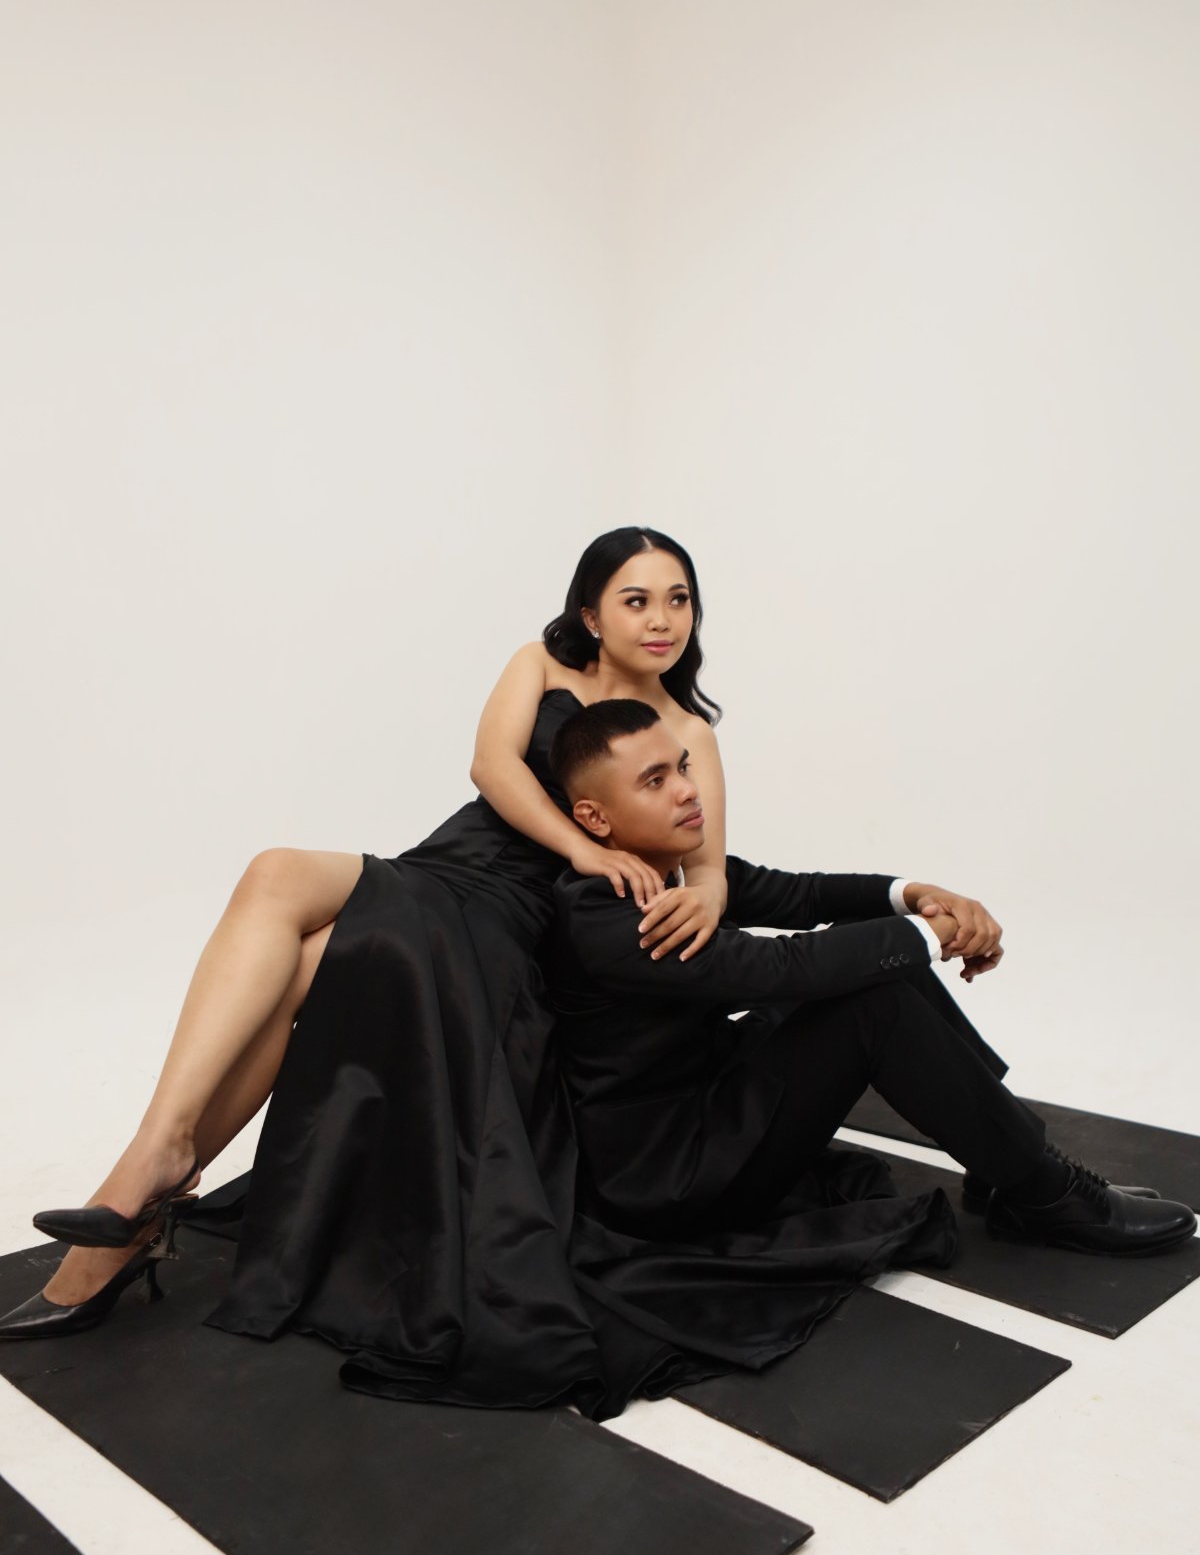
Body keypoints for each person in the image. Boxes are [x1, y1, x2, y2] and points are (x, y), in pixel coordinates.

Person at [0, 531, 758, 1415]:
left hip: (518, 918)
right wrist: (585, 845)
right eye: (637, 600)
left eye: (678, 599)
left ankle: (138, 1192)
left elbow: (708, 869)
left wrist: (699, 898)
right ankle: (156, 1161)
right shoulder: (540, 664)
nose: (662, 619)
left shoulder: (687, 732)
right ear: (590, 613)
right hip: (450, 866)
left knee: (294, 926)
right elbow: (491, 767)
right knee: (285, 918)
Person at [540, 697, 1195, 1388]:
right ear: (595, 818)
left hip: (710, 1099)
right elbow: (776, 969)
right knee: (871, 996)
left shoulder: (671, 867)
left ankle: (1002, 1167)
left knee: (870, 957)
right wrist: (932, 936)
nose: (685, 789)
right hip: (677, 1176)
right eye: (654, 781)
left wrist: (916, 896)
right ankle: (1043, 1192)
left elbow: (801, 895)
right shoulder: (605, 915)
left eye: (681, 767)